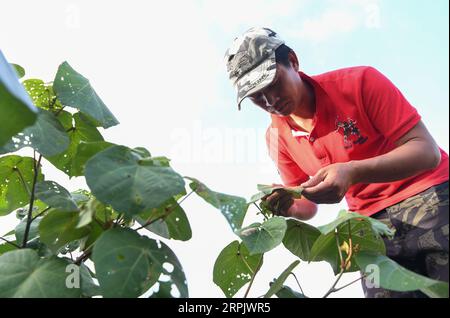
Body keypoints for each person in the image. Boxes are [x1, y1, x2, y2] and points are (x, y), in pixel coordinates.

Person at [224, 27, 449, 298]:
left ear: (293, 62)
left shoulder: (359, 82)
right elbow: (306, 205)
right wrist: (288, 204)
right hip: (370, 229)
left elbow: (427, 152)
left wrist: (352, 171)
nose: (270, 100)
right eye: (257, 96)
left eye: (273, 84)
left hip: (431, 200)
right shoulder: (276, 137)